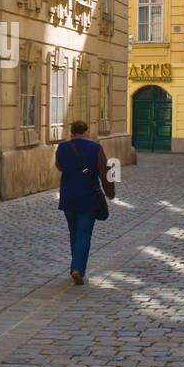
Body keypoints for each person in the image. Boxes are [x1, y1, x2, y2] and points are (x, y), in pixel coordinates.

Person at [54, 120, 115, 286]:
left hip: (68, 196)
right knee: (84, 234)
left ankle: (76, 266)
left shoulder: (63, 147)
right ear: (86, 132)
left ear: (71, 133)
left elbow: (59, 166)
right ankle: (77, 268)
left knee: (74, 233)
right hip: (88, 197)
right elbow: (105, 172)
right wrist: (110, 192)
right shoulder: (95, 148)